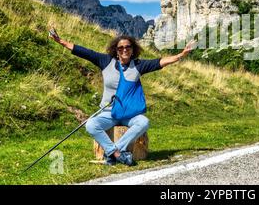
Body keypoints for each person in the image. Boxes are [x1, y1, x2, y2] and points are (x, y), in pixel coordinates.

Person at [50, 29, 195, 166]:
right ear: (116, 51)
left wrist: (181, 54)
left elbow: (160, 62)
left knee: (143, 122)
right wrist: (60, 41)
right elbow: (83, 52)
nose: (124, 50)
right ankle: (117, 154)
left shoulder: (138, 65)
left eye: (128, 47)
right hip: (109, 113)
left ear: (132, 50)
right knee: (91, 125)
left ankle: (113, 152)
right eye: (120, 48)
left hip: (128, 114)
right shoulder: (105, 61)